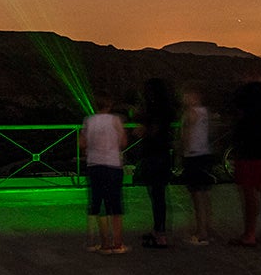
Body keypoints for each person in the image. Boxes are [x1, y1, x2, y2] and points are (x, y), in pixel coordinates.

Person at [229, 67, 261, 246]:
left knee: (249, 191)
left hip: (247, 146)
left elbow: (236, 110)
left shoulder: (245, 93)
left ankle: (249, 233)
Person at [79, 91, 128, 254]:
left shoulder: (88, 121)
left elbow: (81, 143)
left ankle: (105, 242)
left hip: (94, 164)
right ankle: (118, 242)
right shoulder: (116, 120)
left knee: (98, 202)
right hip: (113, 164)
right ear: (109, 105)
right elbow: (123, 142)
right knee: (115, 203)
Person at [135, 78, 176, 248]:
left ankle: (160, 234)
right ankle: (158, 231)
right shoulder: (167, 110)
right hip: (163, 154)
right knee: (159, 195)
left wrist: (141, 129)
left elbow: (150, 131)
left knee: (157, 195)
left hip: (153, 155)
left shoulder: (154, 111)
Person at [179, 85, 214, 245]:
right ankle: (206, 226)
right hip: (204, 153)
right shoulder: (205, 112)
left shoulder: (190, 113)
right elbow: (210, 132)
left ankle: (202, 232)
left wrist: (182, 149)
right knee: (204, 193)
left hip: (193, 154)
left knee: (196, 194)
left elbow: (186, 134)